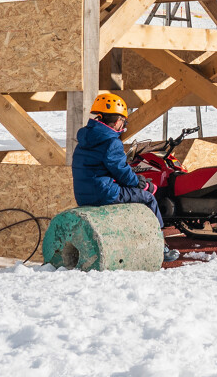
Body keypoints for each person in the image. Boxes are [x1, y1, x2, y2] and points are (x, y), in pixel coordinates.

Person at [71, 92, 180, 262]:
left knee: (132, 192)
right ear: (117, 121)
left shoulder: (85, 139)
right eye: (123, 121)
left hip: (83, 195)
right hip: (104, 194)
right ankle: (161, 247)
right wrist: (141, 184)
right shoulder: (111, 141)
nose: (123, 125)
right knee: (148, 198)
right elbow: (121, 171)